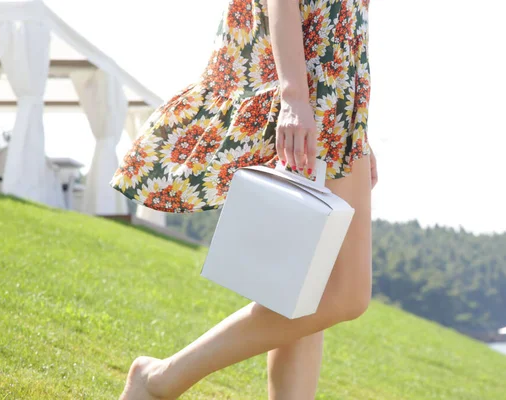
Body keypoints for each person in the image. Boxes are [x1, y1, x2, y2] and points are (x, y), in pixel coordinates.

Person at [112, 0, 378, 398]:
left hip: (337, 102)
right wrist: (295, 97)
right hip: (308, 92)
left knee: (305, 289)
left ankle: (158, 380)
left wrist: (358, 124)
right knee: (342, 295)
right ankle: (160, 379)